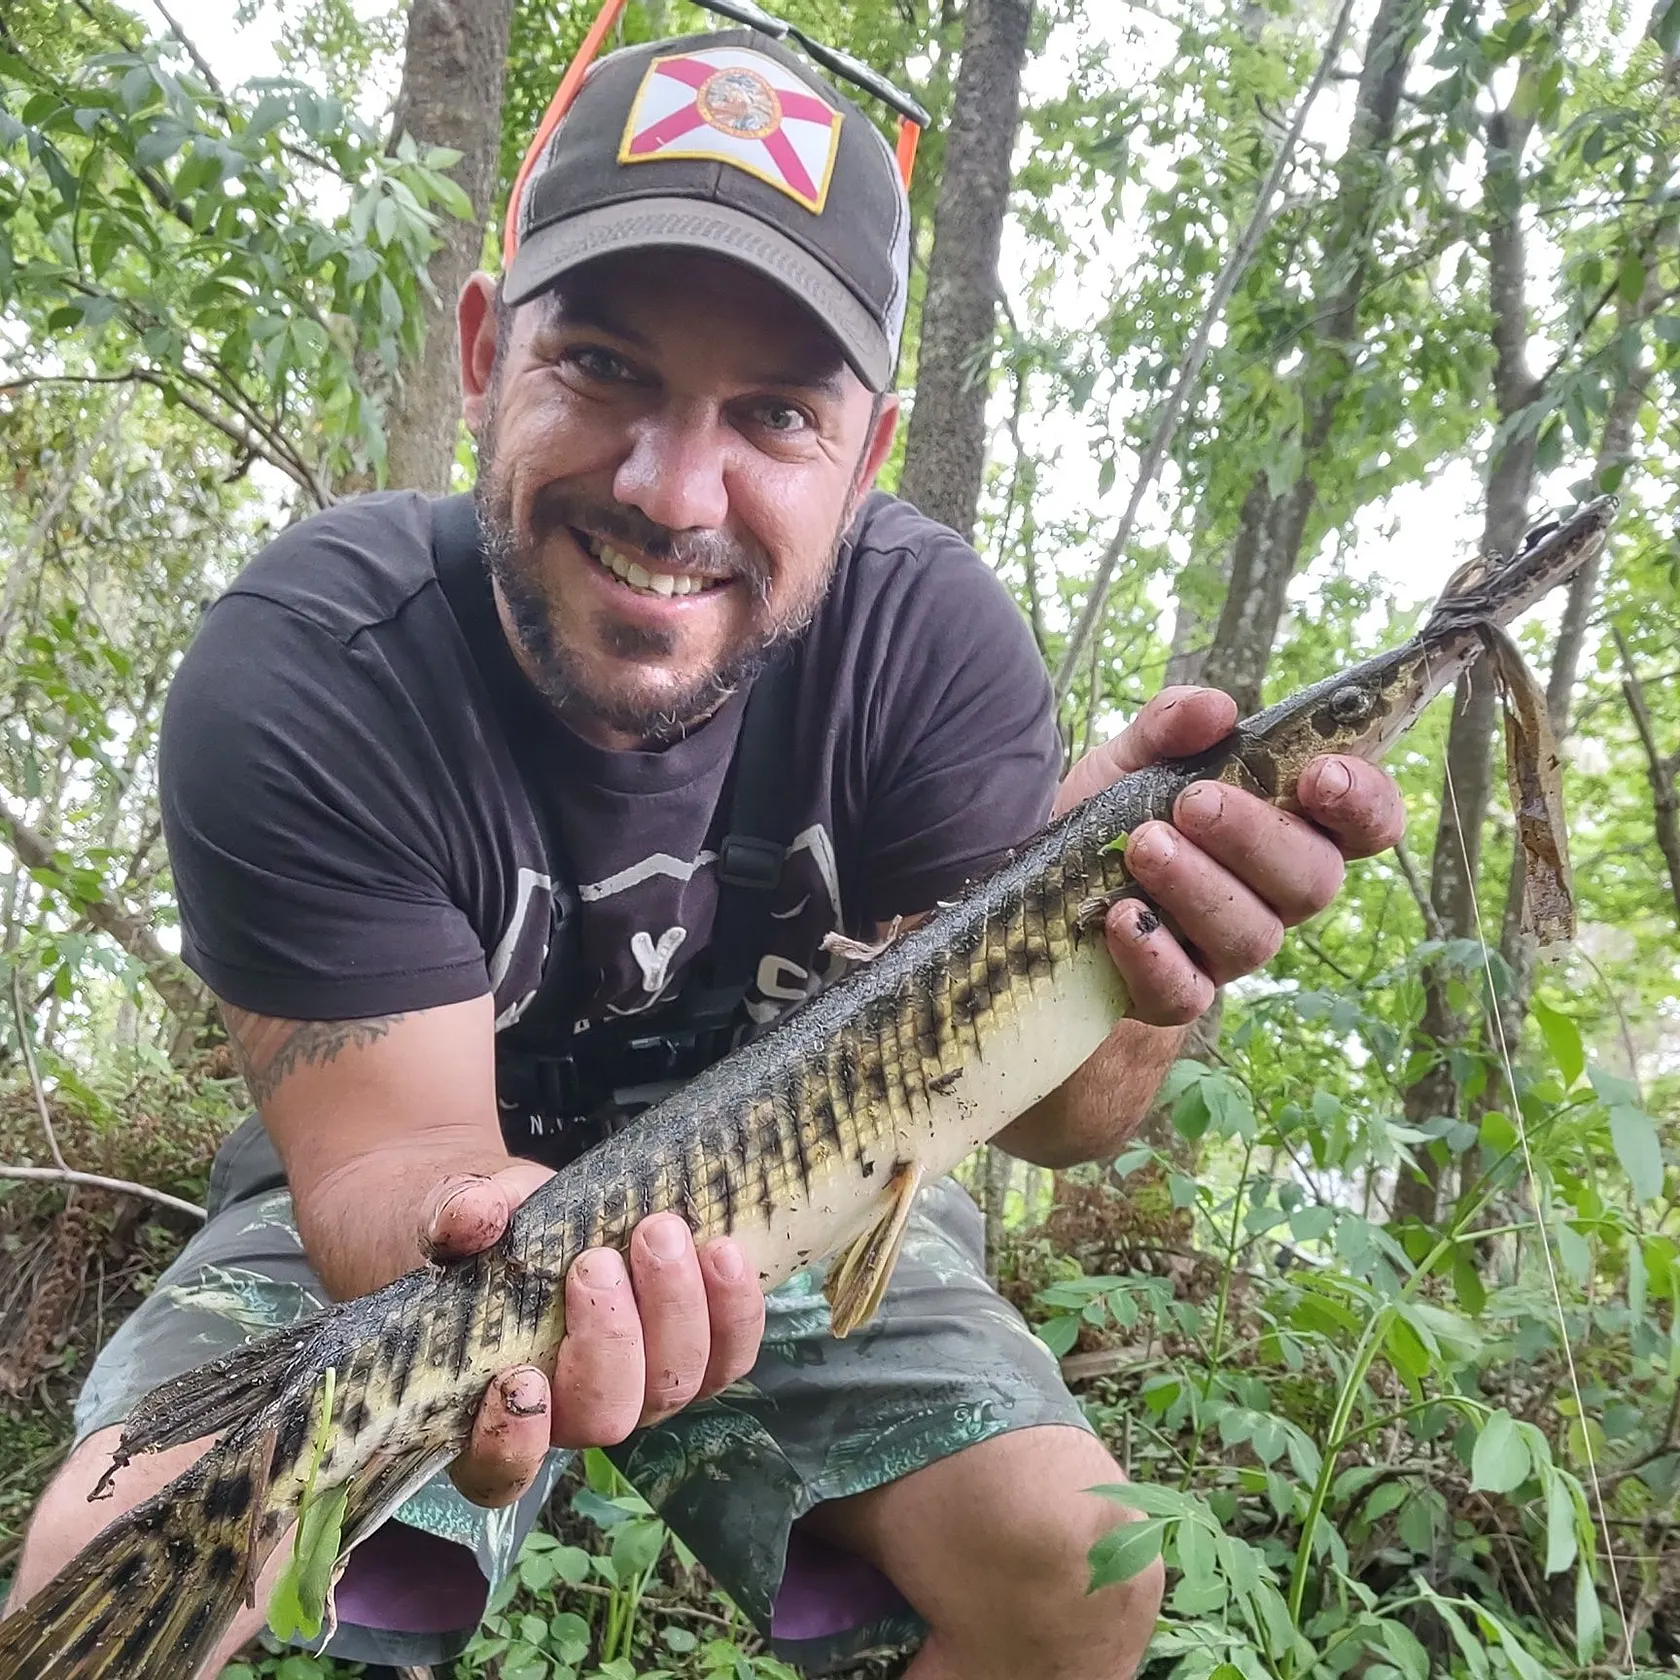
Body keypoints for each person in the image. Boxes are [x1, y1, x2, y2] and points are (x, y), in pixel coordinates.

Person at [6, 24, 1404, 1680]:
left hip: (807, 1196)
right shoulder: (321, 654)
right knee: (123, 1541)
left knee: (1075, 1562)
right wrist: (531, 1262)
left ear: (868, 452)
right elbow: (385, 1168)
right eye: (601, 366)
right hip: (452, 1214)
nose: (677, 490)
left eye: (777, 413)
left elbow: (1065, 1115)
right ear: (482, 352)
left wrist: (1145, 946)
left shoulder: (925, 644)